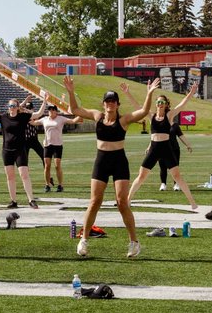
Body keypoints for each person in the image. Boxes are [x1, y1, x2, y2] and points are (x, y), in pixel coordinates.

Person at [64, 76, 158, 258]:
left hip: (119, 162)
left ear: (117, 104)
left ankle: (134, 242)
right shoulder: (97, 116)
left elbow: (144, 111)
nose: (110, 104)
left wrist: (149, 94)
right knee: (94, 202)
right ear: (103, 104)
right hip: (101, 160)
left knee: (122, 203)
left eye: (113, 101)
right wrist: (70, 91)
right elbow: (75, 109)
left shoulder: (123, 121)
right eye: (107, 101)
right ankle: (83, 240)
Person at [127, 81, 200, 209]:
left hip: (166, 148)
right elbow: (138, 107)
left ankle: (192, 202)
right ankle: (128, 200)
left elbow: (181, 105)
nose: (160, 104)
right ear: (156, 104)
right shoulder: (151, 115)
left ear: (166, 105)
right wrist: (128, 93)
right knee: (142, 175)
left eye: (162, 102)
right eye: (158, 102)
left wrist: (191, 93)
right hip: (154, 148)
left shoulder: (169, 115)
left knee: (177, 176)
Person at [0, 94, 43, 209]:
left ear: (17, 107)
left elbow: (38, 114)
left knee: (24, 175)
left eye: (14, 106)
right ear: (8, 107)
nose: (12, 107)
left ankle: (31, 200)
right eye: (10, 106)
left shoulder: (23, 117)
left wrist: (44, 102)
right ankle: (13, 201)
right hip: (7, 150)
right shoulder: (4, 117)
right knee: (10, 176)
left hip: (20, 150)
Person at [40, 102, 79, 193]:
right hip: (47, 145)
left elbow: (73, 121)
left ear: (56, 111)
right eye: (49, 109)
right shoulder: (44, 119)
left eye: (53, 109)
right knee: (47, 166)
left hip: (57, 145)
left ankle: (60, 185)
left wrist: (80, 115)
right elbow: (33, 122)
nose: (51, 111)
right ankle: (47, 185)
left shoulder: (60, 119)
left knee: (57, 165)